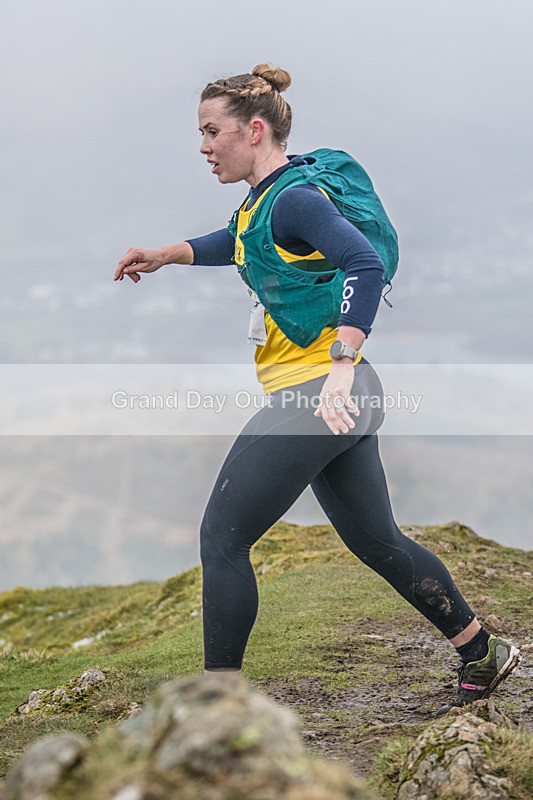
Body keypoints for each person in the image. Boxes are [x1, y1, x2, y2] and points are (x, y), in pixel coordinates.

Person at [114, 63, 520, 716]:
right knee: (375, 541)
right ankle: (481, 651)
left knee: (221, 537)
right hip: (343, 393)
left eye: (210, 131)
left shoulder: (296, 196)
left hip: (322, 390)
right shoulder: (264, 201)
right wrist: (170, 253)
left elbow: (360, 260)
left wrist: (337, 362)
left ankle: (220, 710)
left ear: (251, 129)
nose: (202, 146)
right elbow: (241, 241)